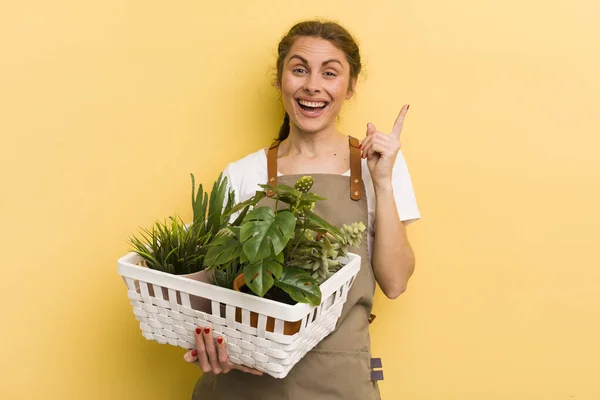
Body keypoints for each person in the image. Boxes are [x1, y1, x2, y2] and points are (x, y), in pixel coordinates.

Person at [184, 19, 420, 399]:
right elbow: (210, 288)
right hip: (245, 385)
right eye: (299, 70)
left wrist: (383, 181)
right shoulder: (243, 174)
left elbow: (395, 282)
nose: (313, 85)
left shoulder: (379, 164)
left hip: (340, 384)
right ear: (280, 81)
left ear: (351, 86)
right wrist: (206, 342)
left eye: (330, 72)